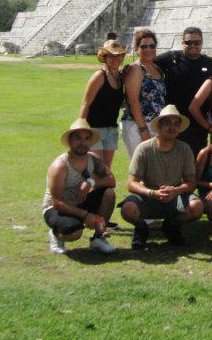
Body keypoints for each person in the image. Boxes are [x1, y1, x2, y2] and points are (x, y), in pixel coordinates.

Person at [120, 105, 203, 248]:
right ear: (159, 126)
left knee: (197, 207)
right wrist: (152, 192)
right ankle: (141, 228)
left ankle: (171, 226)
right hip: (150, 196)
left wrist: (175, 191)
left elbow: (191, 182)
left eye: (176, 124)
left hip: (175, 196)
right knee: (128, 208)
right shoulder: (144, 148)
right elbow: (131, 183)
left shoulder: (184, 149)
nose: (172, 127)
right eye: (167, 123)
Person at [42, 118, 117, 254]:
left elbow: (111, 180)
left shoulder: (93, 159)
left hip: (80, 201)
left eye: (86, 139)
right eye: (77, 138)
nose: (82, 143)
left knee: (109, 193)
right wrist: (86, 215)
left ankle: (98, 238)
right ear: (70, 141)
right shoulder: (60, 165)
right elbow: (57, 202)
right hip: (57, 208)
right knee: (74, 233)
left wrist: (91, 182)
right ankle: (56, 234)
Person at [156, 27, 212, 156]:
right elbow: (147, 64)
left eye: (197, 42)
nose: (193, 45)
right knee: (171, 164)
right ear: (182, 43)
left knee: (196, 165)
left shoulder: (209, 63)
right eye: (188, 42)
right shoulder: (171, 59)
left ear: (202, 43)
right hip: (173, 123)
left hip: (198, 125)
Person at [78, 39, 127, 171]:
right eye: (111, 56)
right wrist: (81, 129)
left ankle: (104, 192)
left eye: (118, 55)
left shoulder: (121, 78)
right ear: (104, 57)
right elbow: (85, 103)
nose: (115, 59)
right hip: (94, 130)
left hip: (111, 129)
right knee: (96, 169)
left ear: (122, 57)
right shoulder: (99, 76)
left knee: (106, 169)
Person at [121, 29, 166, 157]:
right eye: (144, 46)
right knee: (140, 168)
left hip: (154, 125)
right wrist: (143, 130)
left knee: (153, 168)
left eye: (152, 46)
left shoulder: (157, 69)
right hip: (136, 126)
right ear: (136, 49)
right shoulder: (136, 68)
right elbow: (133, 101)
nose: (148, 49)